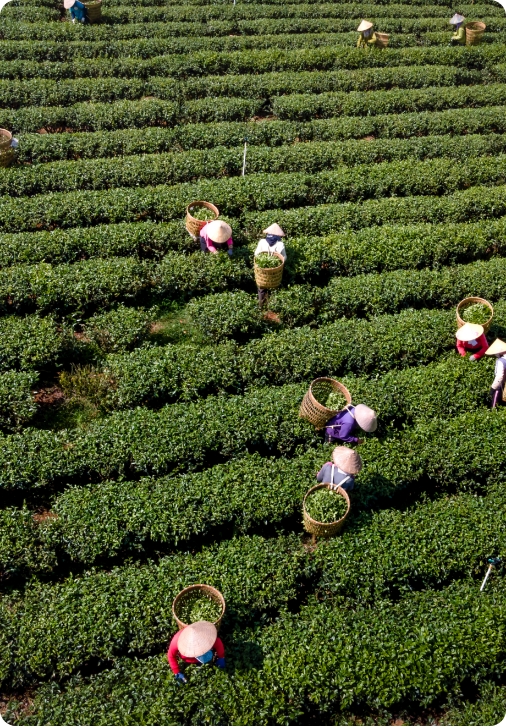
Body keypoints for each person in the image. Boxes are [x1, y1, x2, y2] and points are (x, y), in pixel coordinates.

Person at [167, 621, 226, 685]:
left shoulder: (208, 637)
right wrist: (176, 672)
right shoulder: (176, 642)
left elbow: (218, 643)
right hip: (187, 659)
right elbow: (171, 655)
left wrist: (221, 657)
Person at [254, 223, 287, 306]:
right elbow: (284, 257)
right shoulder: (280, 244)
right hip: (275, 272)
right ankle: (273, 305)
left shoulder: (262, 242)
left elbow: (256, 254)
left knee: (262, 287)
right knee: (274, 286)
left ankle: (261, 305)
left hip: (262, 272)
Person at [484, 338, 506, 408]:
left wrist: (493, 388)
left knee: (494, 404)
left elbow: (500, 376)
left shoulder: (501, 361)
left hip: (501, 385)